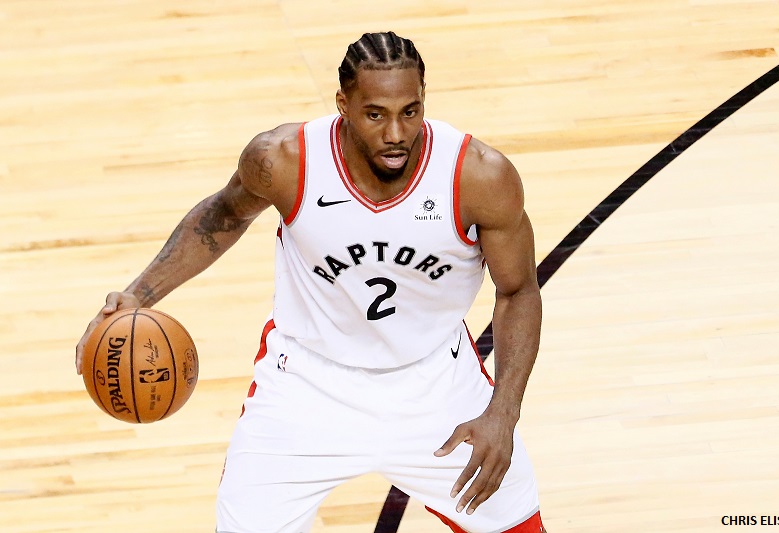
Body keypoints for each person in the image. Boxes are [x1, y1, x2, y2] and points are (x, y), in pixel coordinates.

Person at [76, 31, 547, 533]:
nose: (396, 133)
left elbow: (518, 291)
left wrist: (503, 413)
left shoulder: (478, 176)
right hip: (304, 386)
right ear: (343, 104)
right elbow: (222, 217)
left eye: (410, 111)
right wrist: (137, 296)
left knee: (518, 525)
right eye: (376, 114)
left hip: (436, 387)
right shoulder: (284, 160)